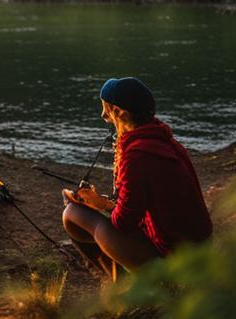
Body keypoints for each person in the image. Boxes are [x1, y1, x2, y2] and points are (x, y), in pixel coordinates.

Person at [62, 77, 212, 277]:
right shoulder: (164, 140)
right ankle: (124, 284)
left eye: (107, 109)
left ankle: (135, 285)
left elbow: (123, 223)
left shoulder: (137, 155)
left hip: (174, 259)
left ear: (121, 112)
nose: (103, 115)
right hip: (197, 249)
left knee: (72, 213)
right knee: (85, 211)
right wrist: (104, 202)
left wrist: (100, 204)